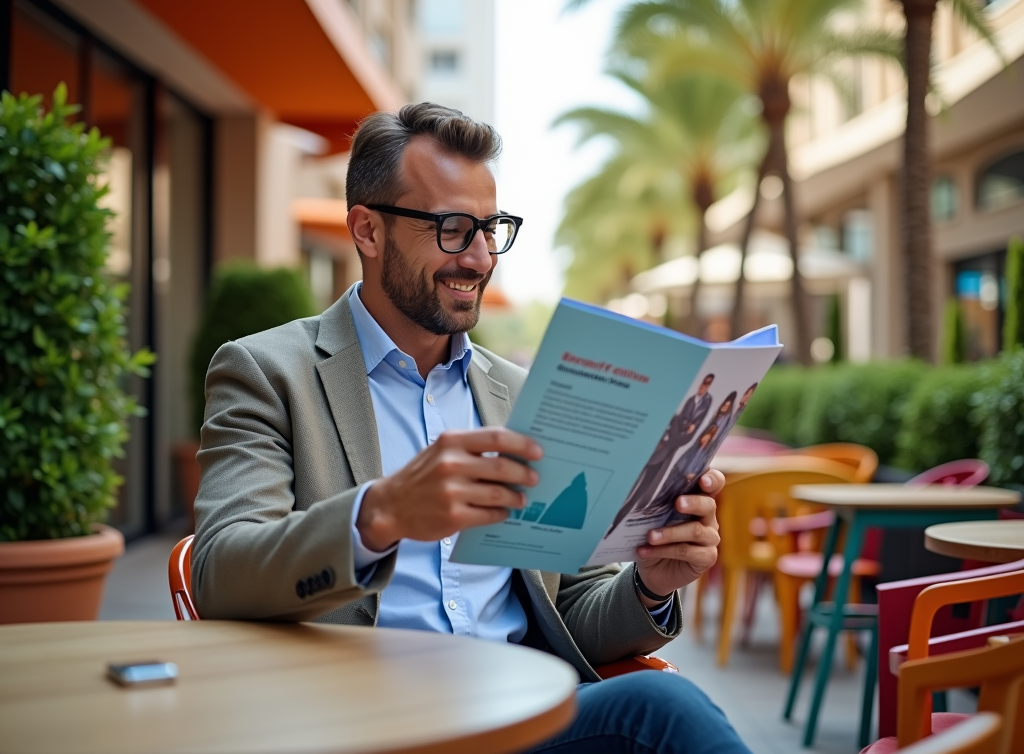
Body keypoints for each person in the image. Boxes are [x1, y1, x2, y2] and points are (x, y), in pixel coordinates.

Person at [192, 103, 751, 754]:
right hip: (363, 727)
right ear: (368, 231)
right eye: (454, 229)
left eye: (492, 229)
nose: (481, 258)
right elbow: (220, 573)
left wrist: (653, 582)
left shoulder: (517, 394)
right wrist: (382, 514)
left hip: (520, 722)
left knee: (659, 706)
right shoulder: (266, 373)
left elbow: (564, 612)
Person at [603, 374, 715, 538]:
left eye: (706, 384)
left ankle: (614, 525)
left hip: (662, 453)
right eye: (703, 383)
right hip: (645, 451)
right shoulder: (686, 402)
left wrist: (678, 433)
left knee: (639, 491)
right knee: (626, 488)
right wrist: (681, 428)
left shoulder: (701, 403)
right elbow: (677, 425)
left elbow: (687, 433)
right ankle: (609, 522)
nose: (702, 387)